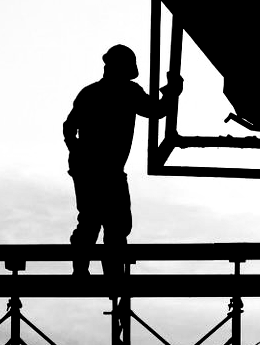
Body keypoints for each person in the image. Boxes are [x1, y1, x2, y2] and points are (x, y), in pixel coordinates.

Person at [63, 44, 178, 276]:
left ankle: (85, 271)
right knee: (112, 223)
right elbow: (156, 110)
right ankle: (110, 275)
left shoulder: (90, 93)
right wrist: (172, 92)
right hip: (103, 170)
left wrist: (77, 152)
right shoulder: (128, 92)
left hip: (88, 169)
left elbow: (68, 128)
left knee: (93, 220)